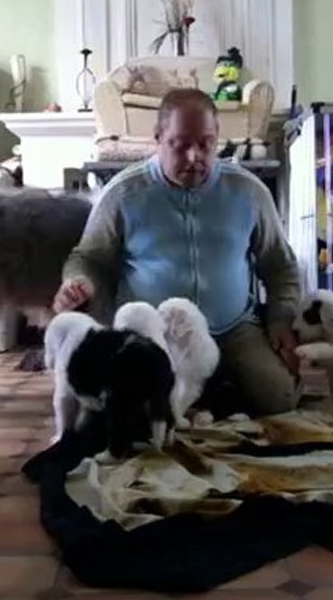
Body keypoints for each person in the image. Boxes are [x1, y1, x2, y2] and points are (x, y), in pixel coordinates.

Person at [53, 88, 302, 415]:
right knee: (127, 408)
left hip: (233, 328)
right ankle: (202, 393)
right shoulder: (124, 193)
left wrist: (281, 319)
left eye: (205, 144)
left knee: (278, 399)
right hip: (153, 335)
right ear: (158, 138)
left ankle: (203, 391)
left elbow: (280, 266)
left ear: (217, 139)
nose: (193, 157)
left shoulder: (248, 192)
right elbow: (88, 258)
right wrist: (78, 284)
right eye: (180, 145)